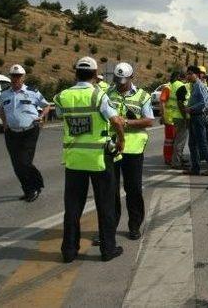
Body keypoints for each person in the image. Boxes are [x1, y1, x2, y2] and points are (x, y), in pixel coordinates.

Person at [54, 56, 125, 263]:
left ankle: (68, 251)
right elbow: (116, 121)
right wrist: (121, 140)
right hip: (98, 158)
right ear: (95, 75)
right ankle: (107, 250)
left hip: (74, 159)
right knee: (106, 205)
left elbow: (60, 114)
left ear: (75, 73)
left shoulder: (62, 96)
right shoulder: (98, 96)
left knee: (73, 206)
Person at [107, 62, 153, 240]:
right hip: (111, 147)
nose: (120, 84)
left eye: (123, 81)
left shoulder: (143, 96)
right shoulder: (108, 93)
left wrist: (126, 122)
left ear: (131, 78)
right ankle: (109, 227)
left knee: (133, 189)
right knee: (110, 191)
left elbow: (149, 120)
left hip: (133, 150)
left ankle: (134, 225)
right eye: (118, 80)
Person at [0, 64, 50, 202]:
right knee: (16, 165)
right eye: (13, 76)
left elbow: (46, 106)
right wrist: (4, 124)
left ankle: (35, 185)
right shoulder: (4, 94)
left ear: (23, 77)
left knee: (25, 162)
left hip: (29, 131)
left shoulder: (33, 92)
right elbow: (1, 109)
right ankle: (28, 190)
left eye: (18, 76)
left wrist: (41, 117)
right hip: (11, 133)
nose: (15, 79)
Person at [184, 65, 208, 176]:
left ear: (196, 74)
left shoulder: (200, 86)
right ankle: (195, 168)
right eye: (187, 73)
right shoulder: (194, 85)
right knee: (192, 143)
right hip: (193, 117)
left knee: (202, 143)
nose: (188, 76)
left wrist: (190, 108)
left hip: (199, 117)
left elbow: (204, 103)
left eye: (190, 73)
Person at [166, 72, 189, 169]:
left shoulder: (172, 85)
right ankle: (176, 162)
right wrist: (185, 117)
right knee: (180, 140)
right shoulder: (181, 86)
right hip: (180, 116)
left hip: (173, 116)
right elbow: (180, 103)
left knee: (176, 140)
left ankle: (176, 159)